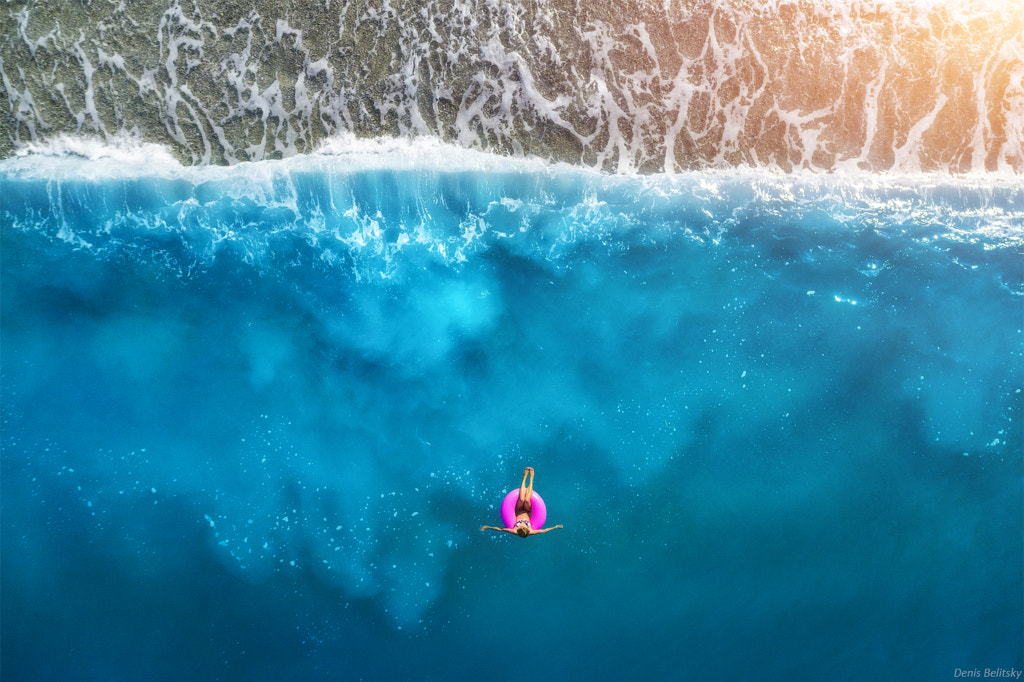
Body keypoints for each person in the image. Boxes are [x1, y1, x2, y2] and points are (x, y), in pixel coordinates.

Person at [480, 467, 563, 538]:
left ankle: (524, 478)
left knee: (522, 499)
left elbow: (501, 529)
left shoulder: (515, 530)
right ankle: (531, 479)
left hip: (518, 509)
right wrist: (556, 527)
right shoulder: (531, 531)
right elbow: (544, 531)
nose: (523, 527)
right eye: (524, 529)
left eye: (521, 529)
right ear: (527, 531)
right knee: (526, 500)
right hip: (528, 510)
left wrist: (488, 527)